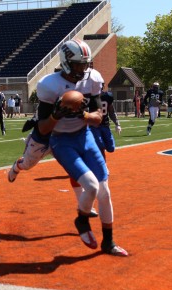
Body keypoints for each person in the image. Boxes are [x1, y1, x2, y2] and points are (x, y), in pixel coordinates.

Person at [33, 39, 128, 256]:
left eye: (85, 64)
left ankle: (108, 242)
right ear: (66, 62)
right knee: (92, 186)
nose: (82, 69)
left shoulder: (92, 79)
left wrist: (83, 114)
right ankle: (81, 220)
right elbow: (44, 129)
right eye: (78, 64)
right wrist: (57, 114)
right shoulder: (49, 85)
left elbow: (98, 117)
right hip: (62, 141)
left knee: (104, 192)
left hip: (85, 137)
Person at [89, 87, 121, 162]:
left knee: (111, 148)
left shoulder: (107, 96)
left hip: (105, 125)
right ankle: (102, 164)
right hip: (94, 126)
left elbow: (111, 112)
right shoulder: (89, 97)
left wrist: (117, 124)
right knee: (100, 145)